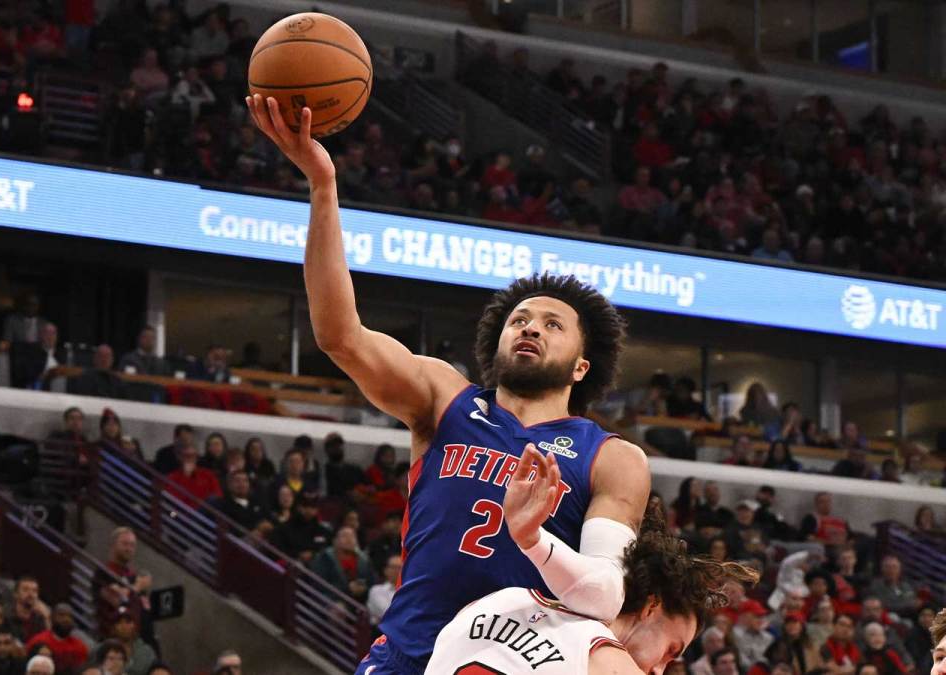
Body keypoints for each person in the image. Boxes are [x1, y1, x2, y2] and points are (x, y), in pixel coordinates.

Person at [258, 90, 649, 674]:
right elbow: (341, 336)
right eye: (519, 319)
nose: (530, 328)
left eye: (551, 324)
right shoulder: (446, 398)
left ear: (581, 366)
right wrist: (322, 187)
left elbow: (600, 594)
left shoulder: (611, 460)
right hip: (406, 658)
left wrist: (533, 540)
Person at [424, 457, 757, 675]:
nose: (660, 669)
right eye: (670, 651)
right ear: (650, 607)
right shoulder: (611, 665)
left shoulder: (491, 602)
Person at [310, 526, 375, 603]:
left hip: (360, 601)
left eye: (352, 536)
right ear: (335, 541)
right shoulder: (324, 558)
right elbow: (319, 585)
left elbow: (372, 582)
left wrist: (364, 589)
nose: (349, 539)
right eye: (345, 536)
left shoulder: (364, 560)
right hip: (331, 601)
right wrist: (347, 588)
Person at [26, 605, 88, 675]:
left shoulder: (80, 647)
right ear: (51, 618)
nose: (66, 619)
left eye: (70, 616)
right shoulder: (38, 641)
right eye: (61, 615)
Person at [165, 442, 221, 507]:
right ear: (180, 457)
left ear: (197, 457)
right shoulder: (172, 477)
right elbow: (173, 500)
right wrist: (186, 476)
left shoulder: (208, 475)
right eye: (187, 456)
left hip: (204, 513)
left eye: (193, 456)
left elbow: (217, 496)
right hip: (182, 513)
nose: (190, 459)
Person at [106, 608, 155, 675]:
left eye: (128, 622)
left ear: (135, 625)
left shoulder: (147, 652)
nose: (124, 626)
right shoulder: (103, 651)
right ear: (114, 627)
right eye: (119, 622)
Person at [367, 555, 400, 626]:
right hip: (381, 632)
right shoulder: (376, 590)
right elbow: (388, 613)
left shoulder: (412, 591)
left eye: (400, 568)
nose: (397, 571)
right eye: (393, 567)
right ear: (386, 570)